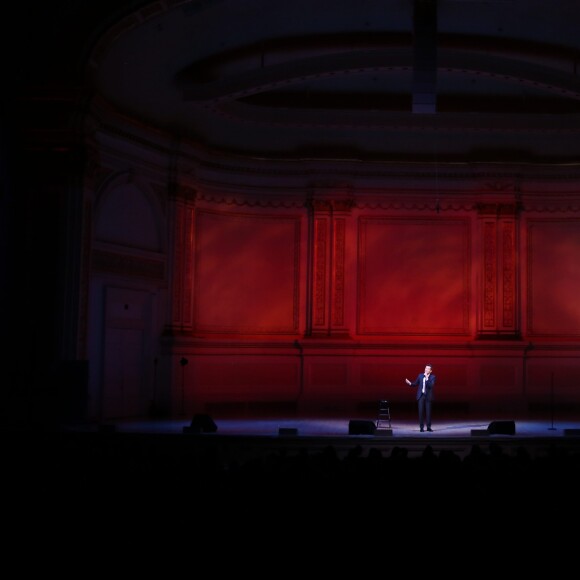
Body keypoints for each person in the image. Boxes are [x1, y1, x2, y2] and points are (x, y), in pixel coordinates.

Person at [405, 364, 436, 432]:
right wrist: (410, 383)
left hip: (428, 397)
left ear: (430, 371)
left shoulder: (433, 377)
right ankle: (421, 427)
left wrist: (427, 378)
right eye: (425, 368)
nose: (426, 369)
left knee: (428, 413)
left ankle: (428, 427)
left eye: (428, 369)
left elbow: (431, 386)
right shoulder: (420, 375)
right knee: (420, 412)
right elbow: (416, 383)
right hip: (421, 396)